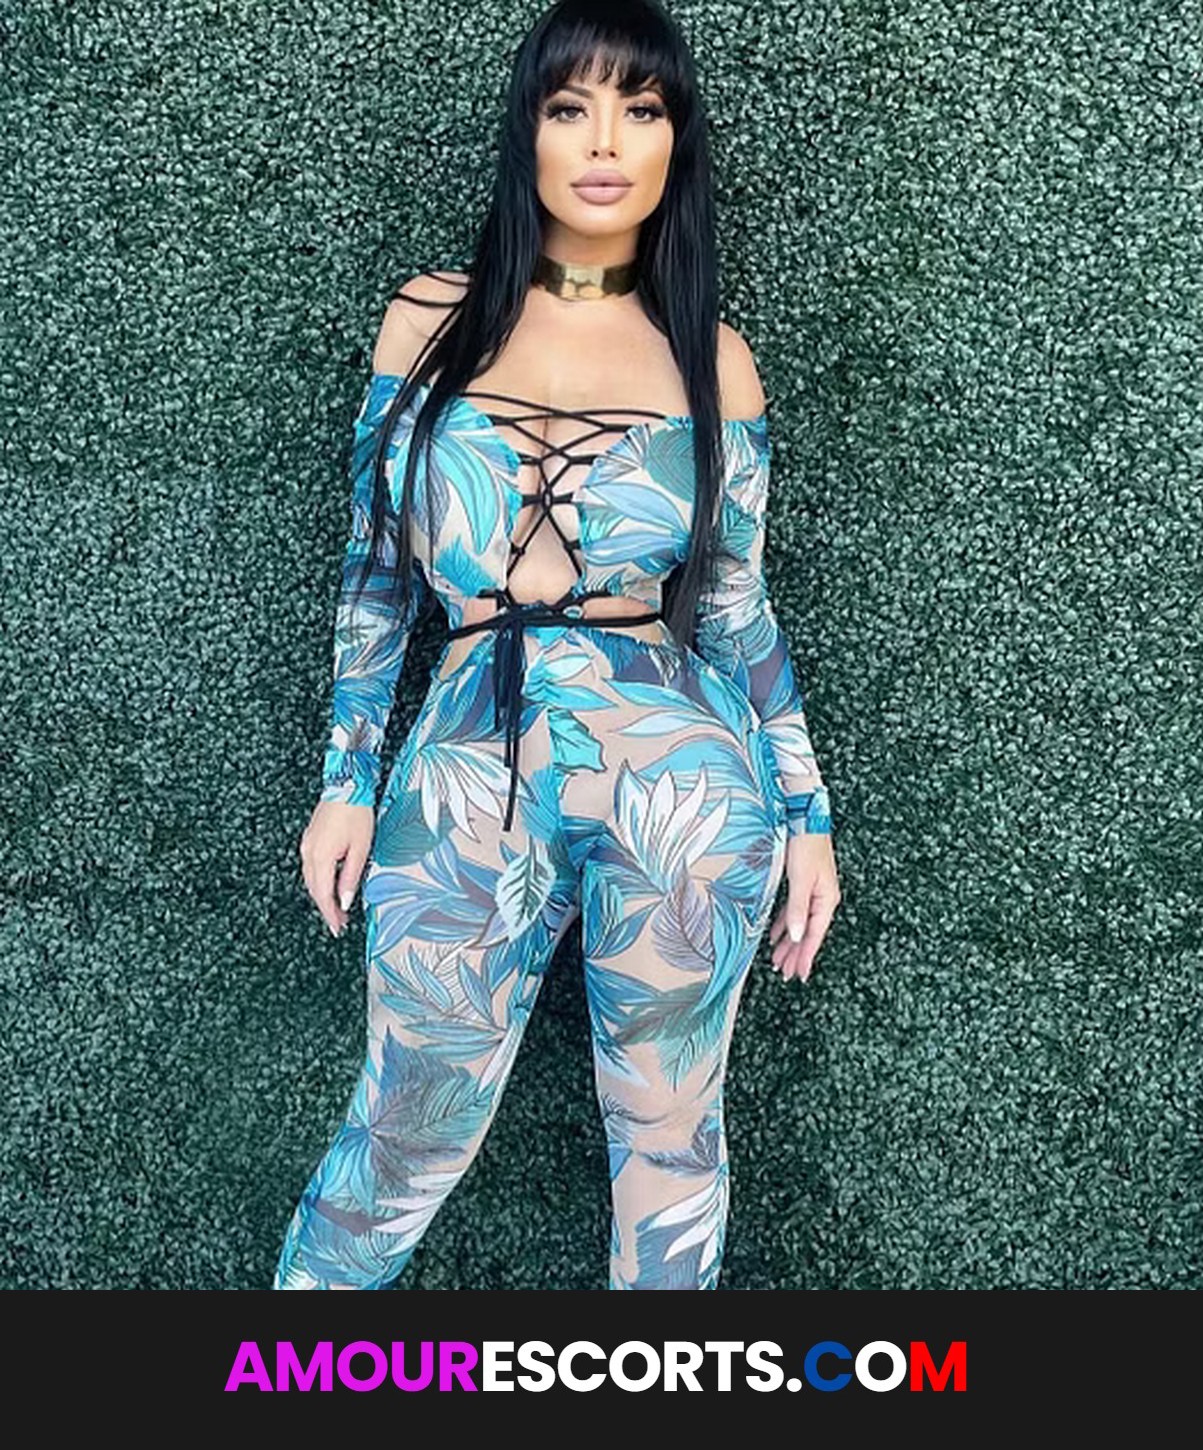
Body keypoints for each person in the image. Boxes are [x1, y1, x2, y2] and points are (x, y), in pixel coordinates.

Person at [273, 0, 840, 1292]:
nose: (604, 141)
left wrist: (806, 814)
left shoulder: (715, 363)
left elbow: (735, 606)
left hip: (686, 790)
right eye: (570, 105)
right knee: (403, 1125)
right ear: (526, 132)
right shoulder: (429, 321)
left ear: (675, 143)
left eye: (641, 109)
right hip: (465, 773)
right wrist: (347, 781)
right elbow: (377, 574)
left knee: (669, 1141)